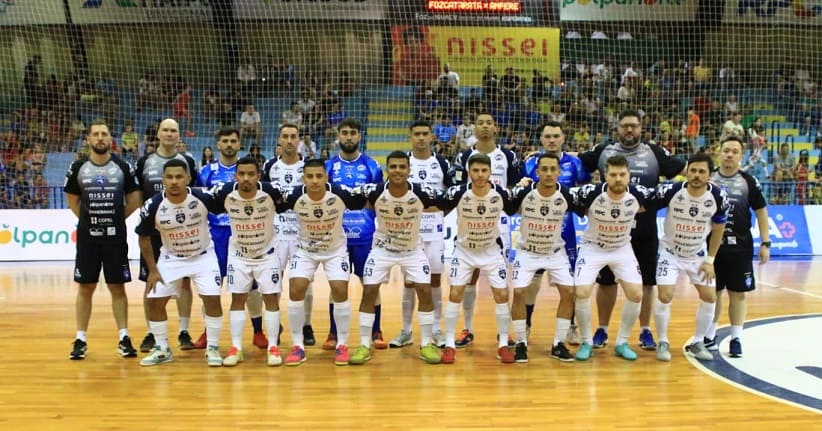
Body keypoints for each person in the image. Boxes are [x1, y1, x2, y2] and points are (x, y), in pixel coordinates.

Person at [579, 109, 685, 351]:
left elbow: (684, 169)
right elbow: (575, 161)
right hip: (608, 231)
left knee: (647, 284)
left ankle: (645, 330)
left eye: (634, 126)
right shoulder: (604, 150)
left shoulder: (654, 153)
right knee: (606, 283)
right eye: (625, 125)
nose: (629, 130)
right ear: (618, 128)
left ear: (641, 128)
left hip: (645, 231)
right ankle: (602, 329)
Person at [350, 151, 443, 365]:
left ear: (409, 170)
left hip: (412, 251)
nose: (398, 171)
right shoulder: (374, 192)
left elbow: (444, 205)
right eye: (393, 167)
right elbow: (353, 201)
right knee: (369, 292)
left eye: (402, 167)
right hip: (382, 250)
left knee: (425, 291)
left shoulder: (421, 193)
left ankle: (426, 343)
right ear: (387, 170)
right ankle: (365, 344)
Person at [64, 119, 142, 360]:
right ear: (88, 139)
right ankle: (80, 338)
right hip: (88, 239)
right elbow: (72, 200)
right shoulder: (78, 167)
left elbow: (135, 197)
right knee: (85, 286)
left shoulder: (122, 166)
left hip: (115, 238)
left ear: (110, 140)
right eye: (95, 134)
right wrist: (89, 221)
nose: (100, 138)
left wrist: (116, 219)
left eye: (104, 134)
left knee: (117, 287)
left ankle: (124, 337)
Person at [135, 159, 225, 367]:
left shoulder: (203, 196)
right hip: (171, 258)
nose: (174, 181)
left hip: (203, 256)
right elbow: (143, 237)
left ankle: (212, 348)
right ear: (163, 179)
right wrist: (153, 270)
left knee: (212, 299)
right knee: (154, 300)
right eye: (169, 177)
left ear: (188, 178)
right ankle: (162, 348)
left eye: (178, 177)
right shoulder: (153, 205)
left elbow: (230, 205)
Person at [280, 159, 366, 366]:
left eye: (319, 176)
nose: (315, 181)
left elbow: (365, 201)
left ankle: (342, 344)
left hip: (335, 251)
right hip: (306, 250)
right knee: (296, 288)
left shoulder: (340, 192)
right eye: (310, 176)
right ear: (303, 177)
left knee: (339, 289)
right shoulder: (293, 195)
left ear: (326, 177)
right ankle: (298, 346)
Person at [571, 155, 654, 362]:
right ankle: (587, 342)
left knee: (636, 293)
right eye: (613, 175)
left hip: (621, 248)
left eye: (622, 175)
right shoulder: (590, 193)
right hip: (593, 248)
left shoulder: (639, 194)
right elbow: (564, 195)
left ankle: (621, 342)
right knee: (581, 292)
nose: (618, 179)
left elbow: (664, 197)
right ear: (604, 176)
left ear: (629, 176)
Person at [439, 153, 518, 364]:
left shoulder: (500, 193)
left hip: (491, 251)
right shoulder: (458, 192)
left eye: (484, 170)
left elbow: (516, 208)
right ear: (469, 172)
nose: (480, 175)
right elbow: (436, 206)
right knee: (455, 292)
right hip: (464, 251)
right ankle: (449, 345)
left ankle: (502, 344)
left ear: (491, 172)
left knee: (501, 294)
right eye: (476, 170)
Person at [449, 112, 520, 348]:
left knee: (501, 281)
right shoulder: (464, 156)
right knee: (468, 278)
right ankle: (467, 328)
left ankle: (505, 333)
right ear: (475, 128)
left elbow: (516, 184)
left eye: (490, 122)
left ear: (496, 127)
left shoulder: (507, 155)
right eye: (481, 123)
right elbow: (456, 186)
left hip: (498, 223)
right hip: (470, 220)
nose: (485, 127)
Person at [212, 157, 288, 367]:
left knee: (271, 300)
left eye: (251, 174)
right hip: (239, 256)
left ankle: (273, 346)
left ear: (258, 176)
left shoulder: (272, 192)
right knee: (238, 299)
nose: (246, 178)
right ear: (235, 175)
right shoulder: (225, 193)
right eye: (242, 174)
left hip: (267, 255)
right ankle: (236, 347)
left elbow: (287, 206)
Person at [653, 153, 729, 362]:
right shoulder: (672, 190)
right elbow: (646, 206)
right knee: (665, 296)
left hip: (697, 255)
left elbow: (719, 229)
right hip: (669, 253)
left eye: (701, 171)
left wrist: (710, 260)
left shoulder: (718, 196)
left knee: (710, 296)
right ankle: (662, 340)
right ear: (687, 171)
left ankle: (697, 342)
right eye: (692, 170)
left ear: (710, 174)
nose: (696, 175)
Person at [197, 127, 268, 349]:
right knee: (211, 287)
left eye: (233, 141)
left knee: (252, 287)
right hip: (216, 236)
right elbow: (199, 204)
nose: (229, 144)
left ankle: (258, 331)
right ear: (217, 144)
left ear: (239, 144)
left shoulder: (247, 170)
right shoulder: (207, 172)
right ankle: (208, 332)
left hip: (245, 234)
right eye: (225, 141)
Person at [520, 121, 590, 345]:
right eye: (547, 136)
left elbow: (586, 189)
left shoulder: (575, 163)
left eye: (556, 136)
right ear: (542, 139)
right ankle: (527, 324)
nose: (551, 140)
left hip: (566, 234)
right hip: (536, 233)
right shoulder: (531, 163)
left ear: (562, 138)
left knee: (570, 286)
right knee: (532, 284)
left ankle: (570, 327)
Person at [134, 118, 198, 353]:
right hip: (153, 233)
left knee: (184, 282)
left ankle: (183, 330)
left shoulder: (188, 161)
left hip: (181, 231)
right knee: (151, 280)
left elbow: (196, 196)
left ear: (178, 135)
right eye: (166, 130)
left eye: (174, 131)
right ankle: (152, 332)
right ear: (158, 134)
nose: (170, 134)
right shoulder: (145, 162)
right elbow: (139, 196)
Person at [705, 137, 770, 358]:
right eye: (726, 150)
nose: (729, 154)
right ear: (719, 153)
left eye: (734, 151)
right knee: (712, 293)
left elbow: (761, 212)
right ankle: (709, 335)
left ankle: (736, 338)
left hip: (740, 247)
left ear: (741, 155)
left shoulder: (748, 181)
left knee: (738, 294)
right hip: (711, 247)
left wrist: (765, 243)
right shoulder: (708, 178)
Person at [389, 120, 452, 350]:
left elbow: (451, 196)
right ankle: (406, 331)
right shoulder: (403, 162)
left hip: (434, 230)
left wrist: (440, 212)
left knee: (434, 280)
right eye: (417, 134)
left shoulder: (442, 163)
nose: (421, 138)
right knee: (409, 282)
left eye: (425, 134)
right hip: (408, 231)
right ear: (410, 136)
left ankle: (436, 329)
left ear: (432, 136)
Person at [509, 153, 577, 362]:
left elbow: (589, 209)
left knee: (569, 292)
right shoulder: (524, 193)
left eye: (552, 169)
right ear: (537, 172)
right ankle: (521, 342)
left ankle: (558, 344)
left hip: (555, 253)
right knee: (519, 292)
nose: (548, 174)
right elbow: (506, 206)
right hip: (527, 251)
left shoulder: (567, 195)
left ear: (559, 172)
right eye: (544, 169)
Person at [325, 118, 386, 350]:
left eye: (352, 133)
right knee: (337, 286)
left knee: (370, 284)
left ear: (359, 136)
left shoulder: (372, 166)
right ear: (338, 136)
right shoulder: (328, 167)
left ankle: (376, 330)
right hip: (337, 237)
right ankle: (333, 333)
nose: (348, 137)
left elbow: (378, 201)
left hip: (365, 236)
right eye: (344, 133)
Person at [262, 124, 316, 346]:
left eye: (294, 136)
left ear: (299, 140)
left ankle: (306, 325)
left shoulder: (307, 167)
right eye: (285, 136)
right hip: (275, 232)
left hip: (302, 232)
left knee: (305, 282)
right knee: (273, 280)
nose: (290, 140)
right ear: (279, 140)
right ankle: (276, 323)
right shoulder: (269, 166)